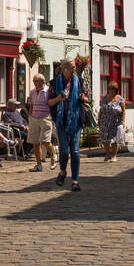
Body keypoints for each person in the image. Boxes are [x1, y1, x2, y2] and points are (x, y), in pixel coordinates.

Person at [48, 58, 89, 191]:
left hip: (76, 120)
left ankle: (75, 181)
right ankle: (63, 172)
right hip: (61, 120)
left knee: (75, 151)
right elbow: (49, 102)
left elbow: (87, 97)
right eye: (72, 67)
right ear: (64, 69)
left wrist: (83, 98)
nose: (74, 69)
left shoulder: (80, 81)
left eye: (74, 67)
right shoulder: (54, 83)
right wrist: (59, 98)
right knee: (65, 151)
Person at [26, 72, 55, 172]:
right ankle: (38, 165)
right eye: (33, 81)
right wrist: (30, 116)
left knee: (46, 142)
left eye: (36, 81)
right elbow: (31, 105)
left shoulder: (49, 91)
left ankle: (53, 156)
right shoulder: (32, 91)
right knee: (35, 142)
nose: (34, 83)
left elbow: (52, 104)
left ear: (42, 81)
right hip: (34, 118)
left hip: (45, 118)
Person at [98, 82, 126, 162]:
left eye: (113, 89)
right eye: (110, 89)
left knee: (115, 140)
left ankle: (114, 156)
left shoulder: (120, 99)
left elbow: (123, 111)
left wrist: (123, 121)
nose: (111, 91)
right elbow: (101, 110)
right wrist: (99, 120)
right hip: (105, 122)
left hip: (116, 122)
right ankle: (107, 155)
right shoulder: (104, 99)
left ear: (116, 90)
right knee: (105, 139)